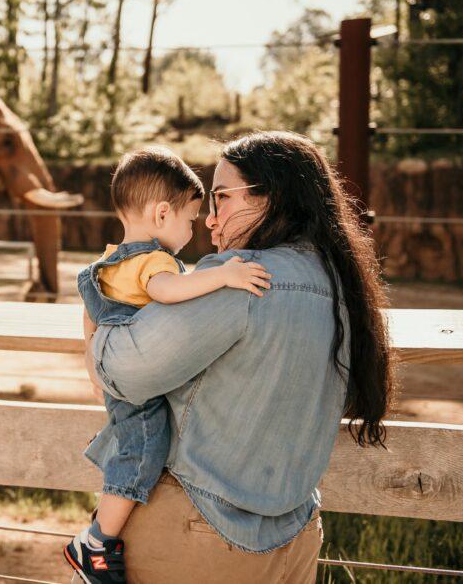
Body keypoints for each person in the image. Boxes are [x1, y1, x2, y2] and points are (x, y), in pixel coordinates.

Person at [84, 132, 393, 584]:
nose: (210, 220)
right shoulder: (341, 285)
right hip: (296, 538)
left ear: (272, 198)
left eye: (222, 198)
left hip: (199, 537)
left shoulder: (242, 280)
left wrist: (97, 306)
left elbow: (121, 372)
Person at [65, 146, 271, 584]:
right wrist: (223, 276)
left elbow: (90, 313)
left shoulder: (105, 264)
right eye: (190, 220)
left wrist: (92, 365)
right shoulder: (155, 262)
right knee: (143, 453)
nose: (195, 229)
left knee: (129, 445)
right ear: (161, 215)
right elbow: (166, 293)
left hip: (119, 378)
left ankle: (103, 527)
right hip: (140, 386)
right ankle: (97, 541)